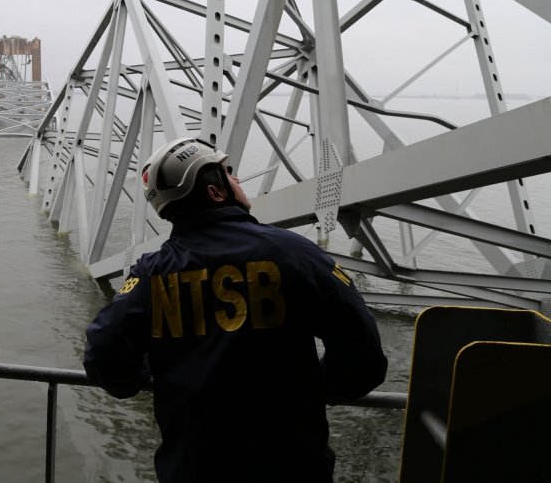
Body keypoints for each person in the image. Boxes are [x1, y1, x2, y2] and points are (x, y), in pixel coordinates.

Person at [84, 136, 388, 482]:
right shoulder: (293, 253)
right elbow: (362, 349)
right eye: (228, 173)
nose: (237, 179)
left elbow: (103, 354)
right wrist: (321, 390)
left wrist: (139, 380)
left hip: (194, 469)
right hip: (292, 466)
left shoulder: (151, 275)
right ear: (215, 193)